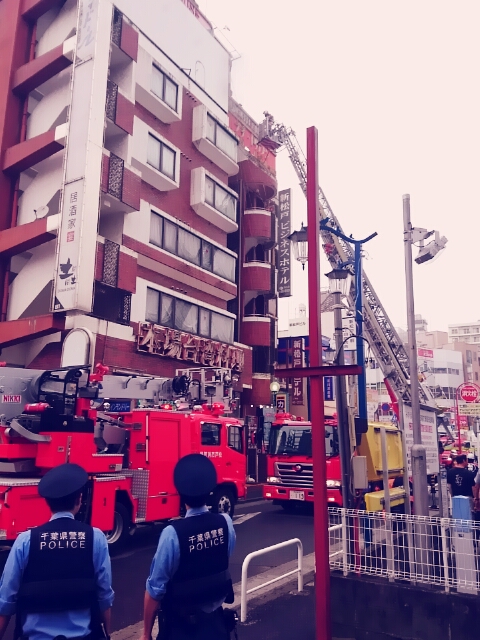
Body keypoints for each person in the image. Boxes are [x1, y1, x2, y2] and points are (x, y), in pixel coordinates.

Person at [0, 463, 114, 640]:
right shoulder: (96, 538)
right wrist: (107, 633)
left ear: (47, 502)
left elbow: (6, 601)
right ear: (79, 500)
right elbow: (104, 597)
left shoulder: (25, 541)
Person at [142, 454, 236, 640]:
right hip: (217, 627)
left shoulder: (172, 534)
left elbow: (155, 591)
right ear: (210, 491)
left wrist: (146, 634)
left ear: (179, 493)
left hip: (180, 628)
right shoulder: (226, 523)